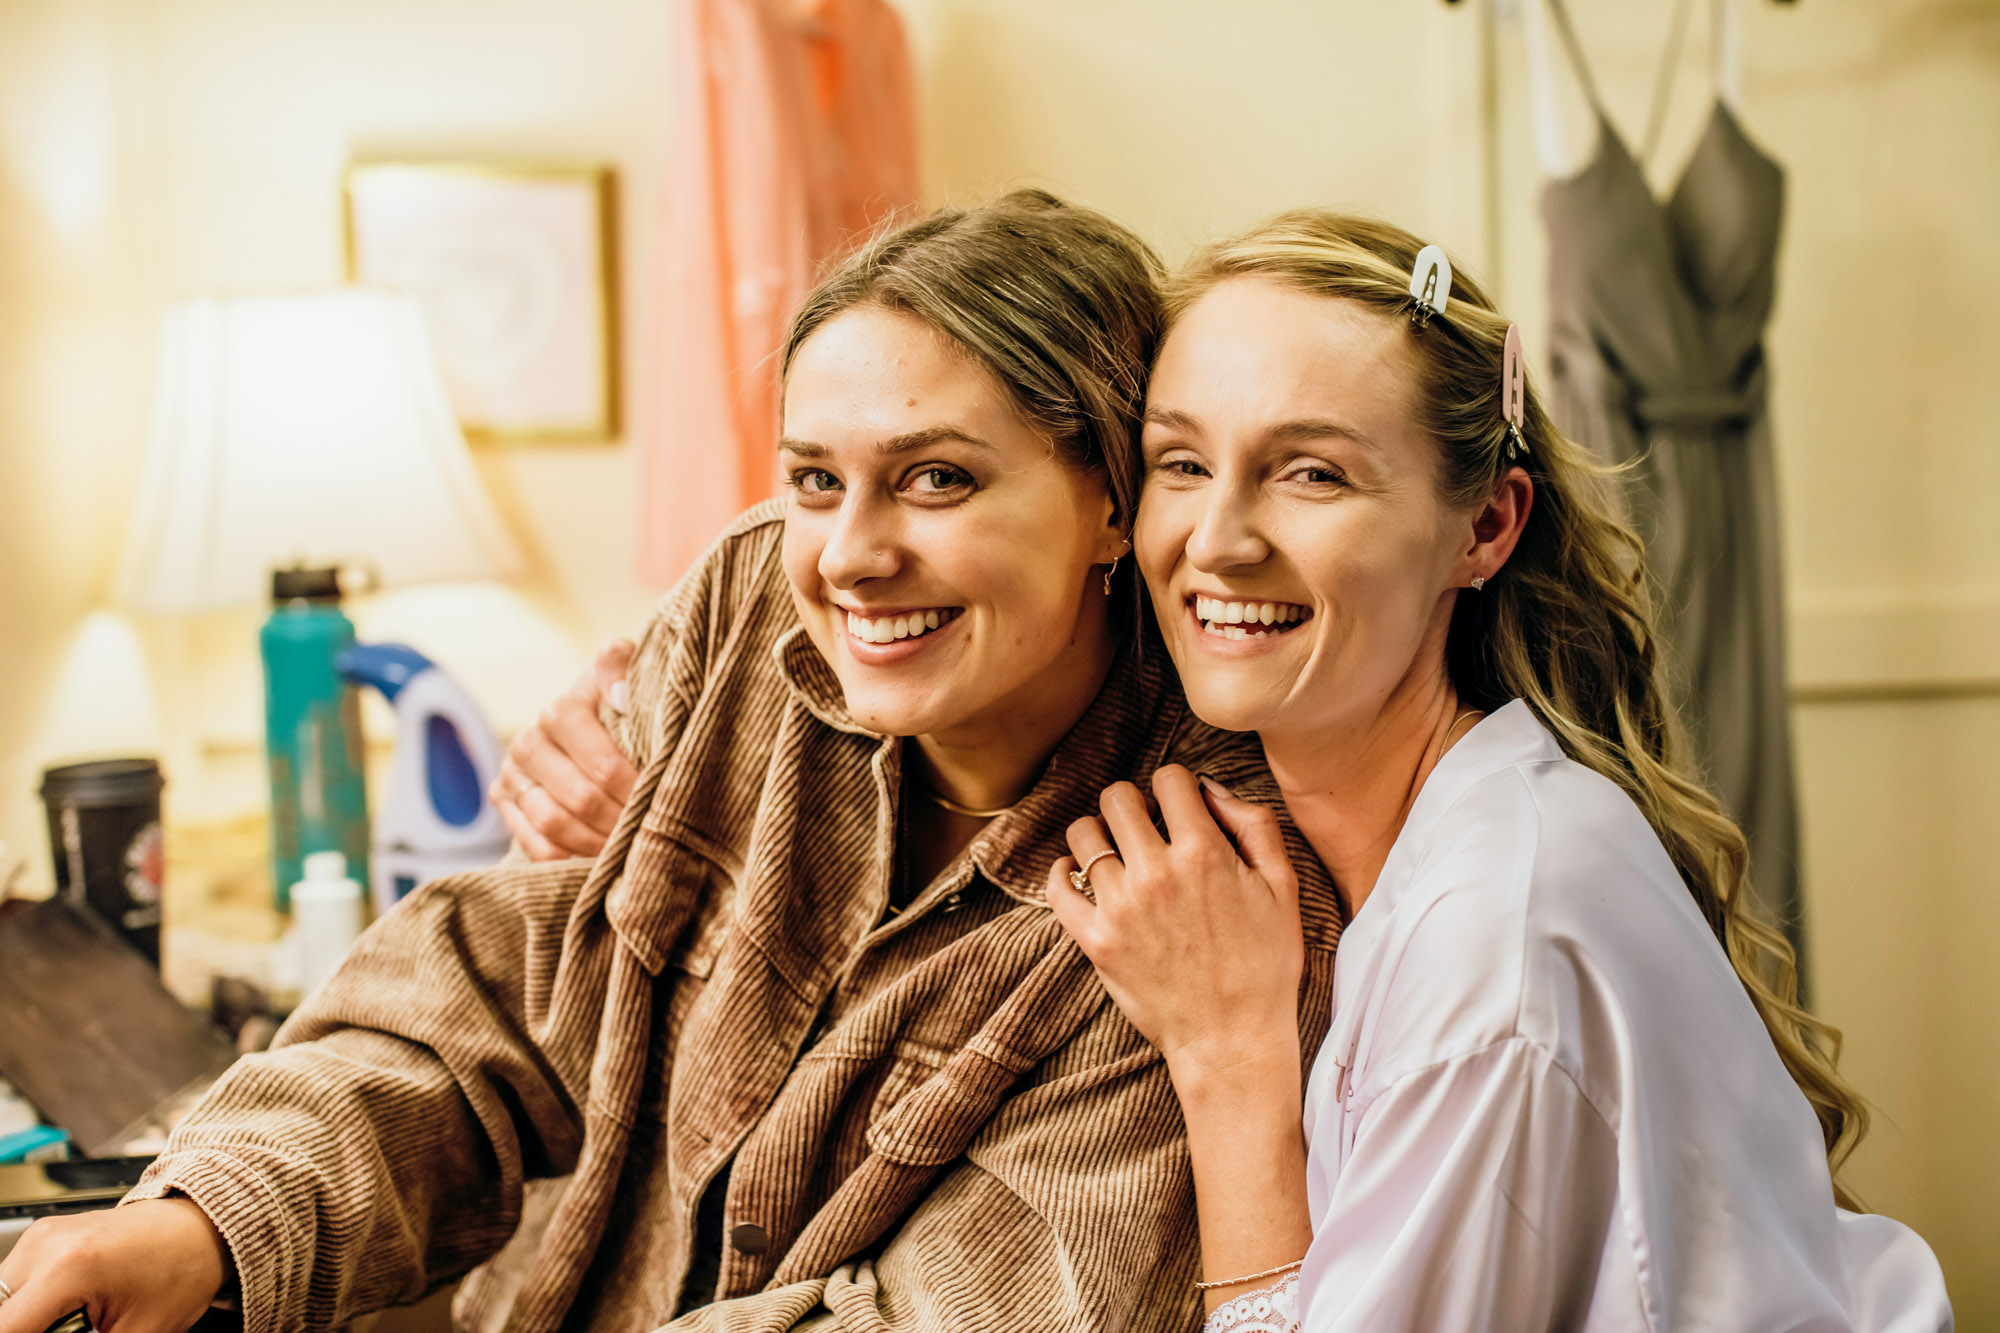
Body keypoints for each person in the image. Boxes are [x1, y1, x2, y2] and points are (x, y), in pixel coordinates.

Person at [0, 193, 1346, 1333]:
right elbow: (510, 1006)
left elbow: (972, 1302)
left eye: (938, 479)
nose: (851, 554)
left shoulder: (1210, 881)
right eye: (817, 477)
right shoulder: (756, 607)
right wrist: (207, 1220)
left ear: (1115, 498)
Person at [1046, 212, 1951, 1331]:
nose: (1218, 536)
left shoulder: (1496, 943)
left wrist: (1228, 1066)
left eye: (1311, 473)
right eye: (1180, 462)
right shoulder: (1447, 822)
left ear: (1482, 523)